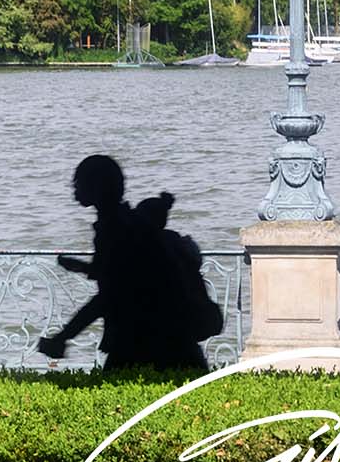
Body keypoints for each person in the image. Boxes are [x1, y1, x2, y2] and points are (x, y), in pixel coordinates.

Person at [36, 154, 221, 370]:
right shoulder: (129, 224)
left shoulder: (113, 230)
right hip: (168, 336)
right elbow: (125, 274)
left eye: (78, 182)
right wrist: (85, 268)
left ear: (96, 187)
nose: (74, 188)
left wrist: (64, 336)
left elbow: (110, 294)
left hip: (145, 340)